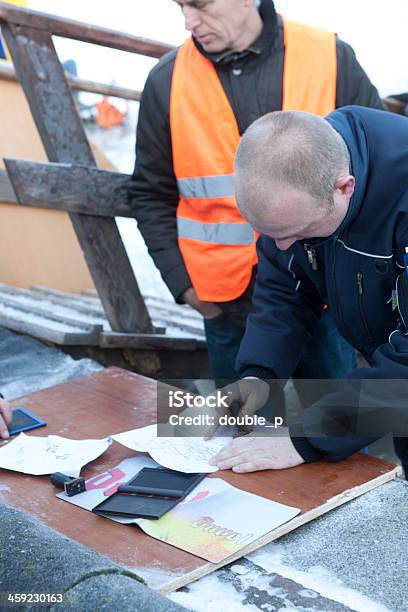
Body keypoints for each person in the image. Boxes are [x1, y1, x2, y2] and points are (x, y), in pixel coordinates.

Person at [129, 0, 385, 385]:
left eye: (199, 5)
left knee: (337, 425)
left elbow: (376, 169)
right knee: (238, 434)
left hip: (325, 294)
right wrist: (184, 286)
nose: (188, 21)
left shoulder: (331, 57)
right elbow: (150, 193)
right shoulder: (165, 81)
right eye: (180, 6)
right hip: (224, 304)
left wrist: (358, 279)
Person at [209, 106, 408, 476]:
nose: (284, 246)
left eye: (298, 233)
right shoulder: (298, 186)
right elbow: (287, 288)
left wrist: (308, 437)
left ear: (343, 187)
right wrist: (257, 374)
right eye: (272, 235)